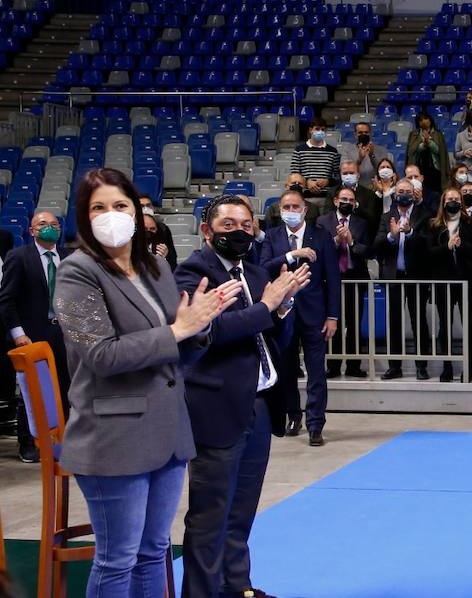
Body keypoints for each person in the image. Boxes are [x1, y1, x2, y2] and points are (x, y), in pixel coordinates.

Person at [53, 169, 237, 597]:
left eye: (119, 205)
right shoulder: (77, 273)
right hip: (113, 435)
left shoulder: (154, 266)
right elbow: (101, 356)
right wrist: (178, 331)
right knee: (118, 558)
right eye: (99, 207)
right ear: (84, 216)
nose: (111, 215)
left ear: (137, 210)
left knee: (155, 550)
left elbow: (183, 338)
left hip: (168, 429)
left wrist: (202, 325)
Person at [176, 193, 311, 598]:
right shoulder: (191, 275)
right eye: (228, 225)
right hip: (216, 407)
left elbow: (273, 338)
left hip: (259, 404)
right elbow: (210, 333)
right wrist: (268, 304)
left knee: (242, 512)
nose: (239, 232)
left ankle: (237, 587)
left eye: (245, 225)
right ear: (206, 231)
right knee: (210, 515)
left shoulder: (251, 272)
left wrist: (282, 309)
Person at [258, 189, 340, 447]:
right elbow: (263, 268)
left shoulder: (322, 236)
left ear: (304, 210)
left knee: (317, 371)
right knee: (286, 368)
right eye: (286, 207)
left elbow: (333, 280)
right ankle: (293, 415)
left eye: (295, 207)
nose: (291, 211)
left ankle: (316, 423)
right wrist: (292, 255)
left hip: (315, 314)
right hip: (282, 314)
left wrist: (332, 316)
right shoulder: (272, 237)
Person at [0, 211, 69, 463]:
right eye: (43, 224)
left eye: (54, 224)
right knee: (33, 390)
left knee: (65, 387)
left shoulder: (70, 258)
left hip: (64, 334)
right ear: (32, 231)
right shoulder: (18, 257)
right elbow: (6, 300)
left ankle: (62, 441)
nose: (49, 228)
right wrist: (18, 334)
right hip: (32, 335)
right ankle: (28, 442)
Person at [417, 185, 472, 383]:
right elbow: (429, 254)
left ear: (461, 202)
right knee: (445, 325)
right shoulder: (433, 225)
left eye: (456, 198)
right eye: (449, 198)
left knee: (468, 325)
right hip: (443, 282)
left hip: (466, 280)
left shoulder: (471, 223)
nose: (453, 201)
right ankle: (447, 366)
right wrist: (447, 247)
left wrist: (461, 246)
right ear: (443, 203)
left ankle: (468, 366)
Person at [373, 179, 432, 381]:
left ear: (414, 193)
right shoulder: (386, 216)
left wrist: (411, 232)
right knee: (395, 322)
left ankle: (422, 366)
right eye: (400, 191)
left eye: (407, 191)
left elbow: (428, 244)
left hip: (416, 276)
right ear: (394, 194)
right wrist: (391, 235)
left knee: (419, 322)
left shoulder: (424, 215)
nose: (404, 194)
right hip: (394, 277)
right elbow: (377, 246)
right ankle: (394, 366)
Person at [321, 184, 371, 379]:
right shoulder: (323, 221)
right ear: (335, 201)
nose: (347, 203)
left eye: (351, 200)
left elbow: (367, 251)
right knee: (332, 322)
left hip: (354, 278)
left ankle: (353, 365)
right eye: (344, 199)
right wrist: (335, 240)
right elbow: (319, 250)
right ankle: (332, 366)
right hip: (330, 280)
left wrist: (351, 241)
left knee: (354, 323)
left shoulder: (362, 223)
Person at [291, 117, 341, 202]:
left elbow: (337, 177)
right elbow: (294, 175)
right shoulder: (299, 150)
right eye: (317, 129)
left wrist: (328, 181)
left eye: (323, 130)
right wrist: (307, 182)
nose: (320, 132)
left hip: (327, 198)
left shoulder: (333, 151)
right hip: (304, 197)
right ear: (310, 130)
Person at [347, 120, 393, 188]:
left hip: (376, 186)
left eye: (366, 132)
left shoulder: (382, 150)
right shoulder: (348, 151)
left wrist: (372, 156)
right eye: (360, 133)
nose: (363, 134)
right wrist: (360, 159)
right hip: (356, 186)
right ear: (355, 134)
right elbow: (348, 171)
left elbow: (383, 171)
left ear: (370, 134)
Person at [138, 193, 178, 269]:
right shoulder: (130, 231)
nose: (145, 209)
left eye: (148, 205)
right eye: (141, 206)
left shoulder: (163, 229)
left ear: (153, 208)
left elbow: (173, 261)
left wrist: (164, 258)